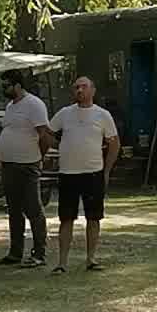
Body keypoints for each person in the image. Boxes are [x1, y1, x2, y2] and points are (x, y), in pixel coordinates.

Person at [49, 75, 120, 274]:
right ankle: (62, 262)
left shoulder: (103, 115)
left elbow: (114, 143)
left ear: (93, 90)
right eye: (76, 87)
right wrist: (59, 147)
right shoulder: (64, 113)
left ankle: (91, 259)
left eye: (84, 87)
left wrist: (107, 170)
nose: (79, 90)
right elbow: (47, 132)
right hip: (68, 173)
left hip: (93, 173)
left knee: (93, 218)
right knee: (66, 218)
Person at [0, 69, 54, 268]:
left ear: (18, 85)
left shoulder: (34, 105)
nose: (3, 90)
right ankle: (15, 252)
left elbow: (45, 135)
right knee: (14, 210)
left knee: (33, 208)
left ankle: (39, 253)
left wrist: (39, 157)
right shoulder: (10, 106)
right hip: (9, 165)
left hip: (27, 165)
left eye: (6, 86)